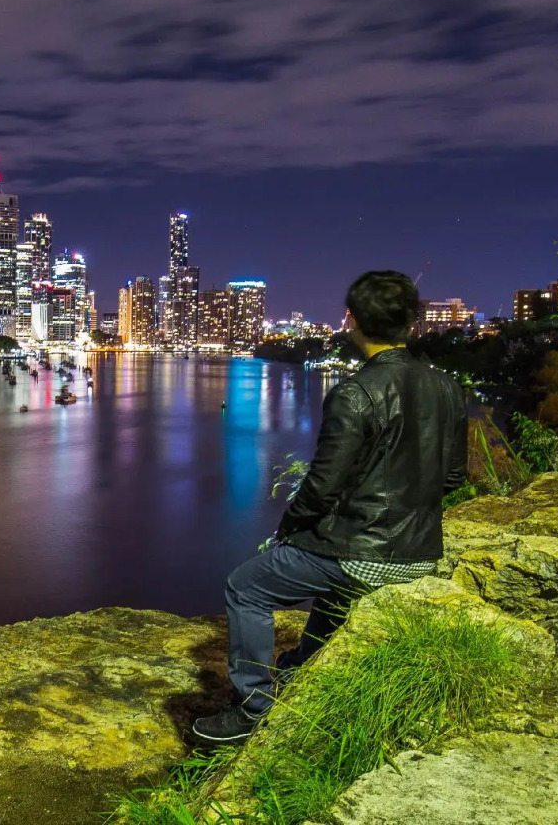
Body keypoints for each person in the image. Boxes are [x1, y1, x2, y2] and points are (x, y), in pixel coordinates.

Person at [191, 270, 469, 745]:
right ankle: (303, 668)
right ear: (411, 321)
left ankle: (252, 709)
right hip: (421, 550)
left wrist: (289, 529)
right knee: (329, 573)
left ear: (353, 321)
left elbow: (321, 487)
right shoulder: (447, 387)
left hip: (366, 552)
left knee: (247, 588)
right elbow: (453, 477)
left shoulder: (356, 393)